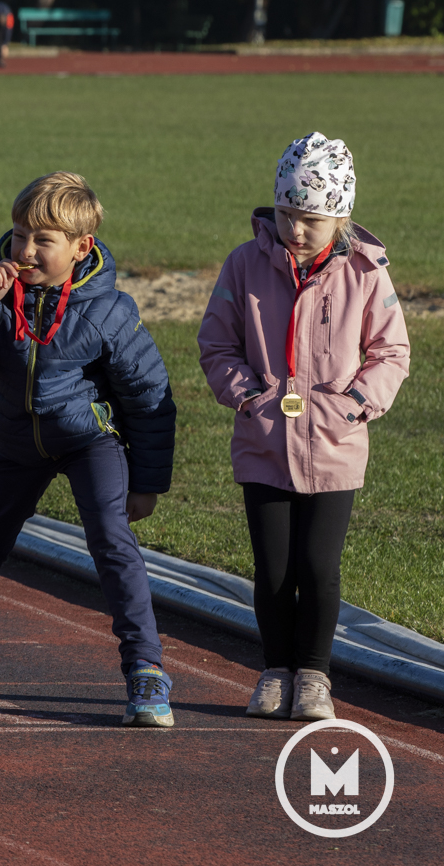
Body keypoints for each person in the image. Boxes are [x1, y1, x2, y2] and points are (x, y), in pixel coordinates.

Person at [0, 171, 179, 728]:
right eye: (20, 235)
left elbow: (150, 399)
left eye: (44, 241)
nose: (26, 250)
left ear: (81, 247)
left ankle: (145, 667)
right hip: (16, 441)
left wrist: (148, 482)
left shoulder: (108, 309)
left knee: (112, 542)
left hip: (88, 441)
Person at [198, 134, 409, 722]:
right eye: (288, 214)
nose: (296, 230)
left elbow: (391, 352)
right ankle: (273, 671)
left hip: (337, 445)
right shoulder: (244, 264)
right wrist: (249, 397)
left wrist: (356, 404)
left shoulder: (366, 272)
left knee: (318, 567)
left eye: (311, 220)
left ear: (341, 216)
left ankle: (313, 676)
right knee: (272, 568)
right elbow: (216, 343)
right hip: (264, 442)